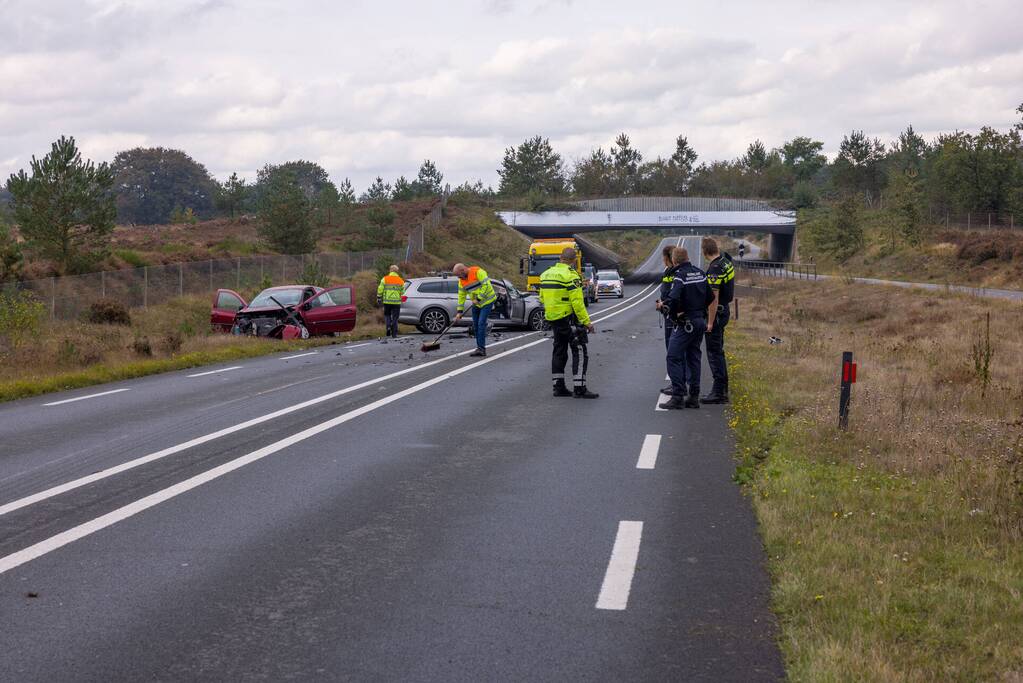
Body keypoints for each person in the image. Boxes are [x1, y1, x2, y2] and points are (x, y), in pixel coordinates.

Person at [657, 246, 716, 409]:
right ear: (687, 258)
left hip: (686, 323)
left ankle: (677, 396)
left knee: (673, 356)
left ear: (675, 261)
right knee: (694, 357)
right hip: (699, 321)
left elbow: (674, 299)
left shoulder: (680, 276)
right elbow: (710, 297)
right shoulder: (700, 273)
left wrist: (667, 309)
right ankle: (694, 397)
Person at [539, 247, 598, 398]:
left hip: (552, 318)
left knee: (559, 350)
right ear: (574, 260)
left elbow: (542, 297)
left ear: (560, 257)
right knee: (578, 348)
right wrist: (587, 322)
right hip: (568, 317)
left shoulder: (545, 274)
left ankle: (558, 387)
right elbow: (578, 303)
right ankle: (579, 388)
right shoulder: (571, 276)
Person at [701, 238, 735, 403]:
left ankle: (718, 393)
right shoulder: (725, 262)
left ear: (704, 251)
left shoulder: (715, 268)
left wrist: (710, 322)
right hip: (725, 310)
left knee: (714, 353)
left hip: (717, 312)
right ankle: (723, 389)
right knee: (719, 352)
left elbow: (714, 298)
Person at [453, 262, 497, 357]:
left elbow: (487, 286)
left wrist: (479, 298)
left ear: (463, 270)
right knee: (476, 325)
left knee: (481, 323)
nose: (458, 278)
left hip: (487, 301)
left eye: (459, 275)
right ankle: (479, 348)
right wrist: (459, 312)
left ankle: (482, 349)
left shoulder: (478, 272)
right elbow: (461, 296)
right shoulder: (462, 281)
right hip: (476, 304)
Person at [657, 244, 679, 394]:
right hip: (670, 314)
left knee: (673, 352)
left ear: (666, 258)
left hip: (674, 316)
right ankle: (677, 382)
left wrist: (663, 303)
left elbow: (670, 293)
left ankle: (677, 384)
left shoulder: (673, 272)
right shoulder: (672, 271)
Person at [376, 265, 404, 339]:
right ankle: (394, 334)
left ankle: (388, 327)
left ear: (390, 270)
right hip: (396, 303)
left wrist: (379, 297)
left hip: (387, 302)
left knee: (387, 315)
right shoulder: (400, 280)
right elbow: (403, 292)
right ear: (397, 271)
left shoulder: (385, 279)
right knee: (395, 318)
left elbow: (380, 288)